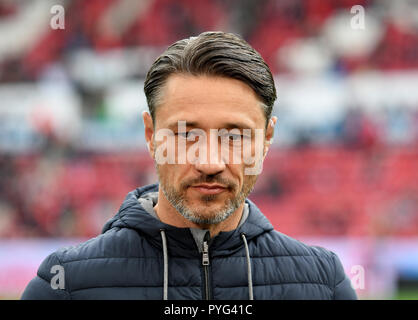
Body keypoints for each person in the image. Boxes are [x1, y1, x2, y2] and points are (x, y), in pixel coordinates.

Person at [21, 31, 357, 300]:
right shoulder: (65, 286)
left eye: (235, 136)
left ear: (267, 139)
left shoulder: (324, 285)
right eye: (185, 134)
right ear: (150, 135)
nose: (209, 162)